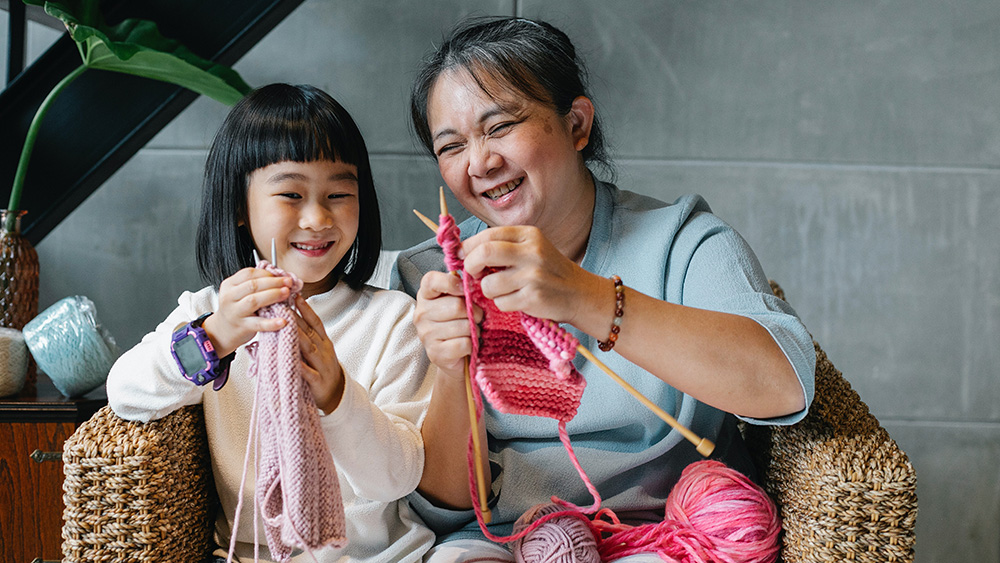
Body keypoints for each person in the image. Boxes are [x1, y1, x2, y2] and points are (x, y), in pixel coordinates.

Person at [392, 17, 816, 562]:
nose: (480, 162)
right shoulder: (428, 279)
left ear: (576, 124)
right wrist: (452, 373)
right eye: (451, 147)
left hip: (667, 534)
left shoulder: (683, 242)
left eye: (500, 127)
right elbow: (444, 505)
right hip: (500, 541)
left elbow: (785, 386)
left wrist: (585, 296)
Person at [107, 83, 435, 563]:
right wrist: (214, 337)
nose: (318, 217)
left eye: (339, 193)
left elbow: (398, 476)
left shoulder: (392, 320)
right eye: (291, 194)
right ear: (241, 207)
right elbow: (126, 391)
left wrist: (338, 395)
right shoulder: (212, 312)